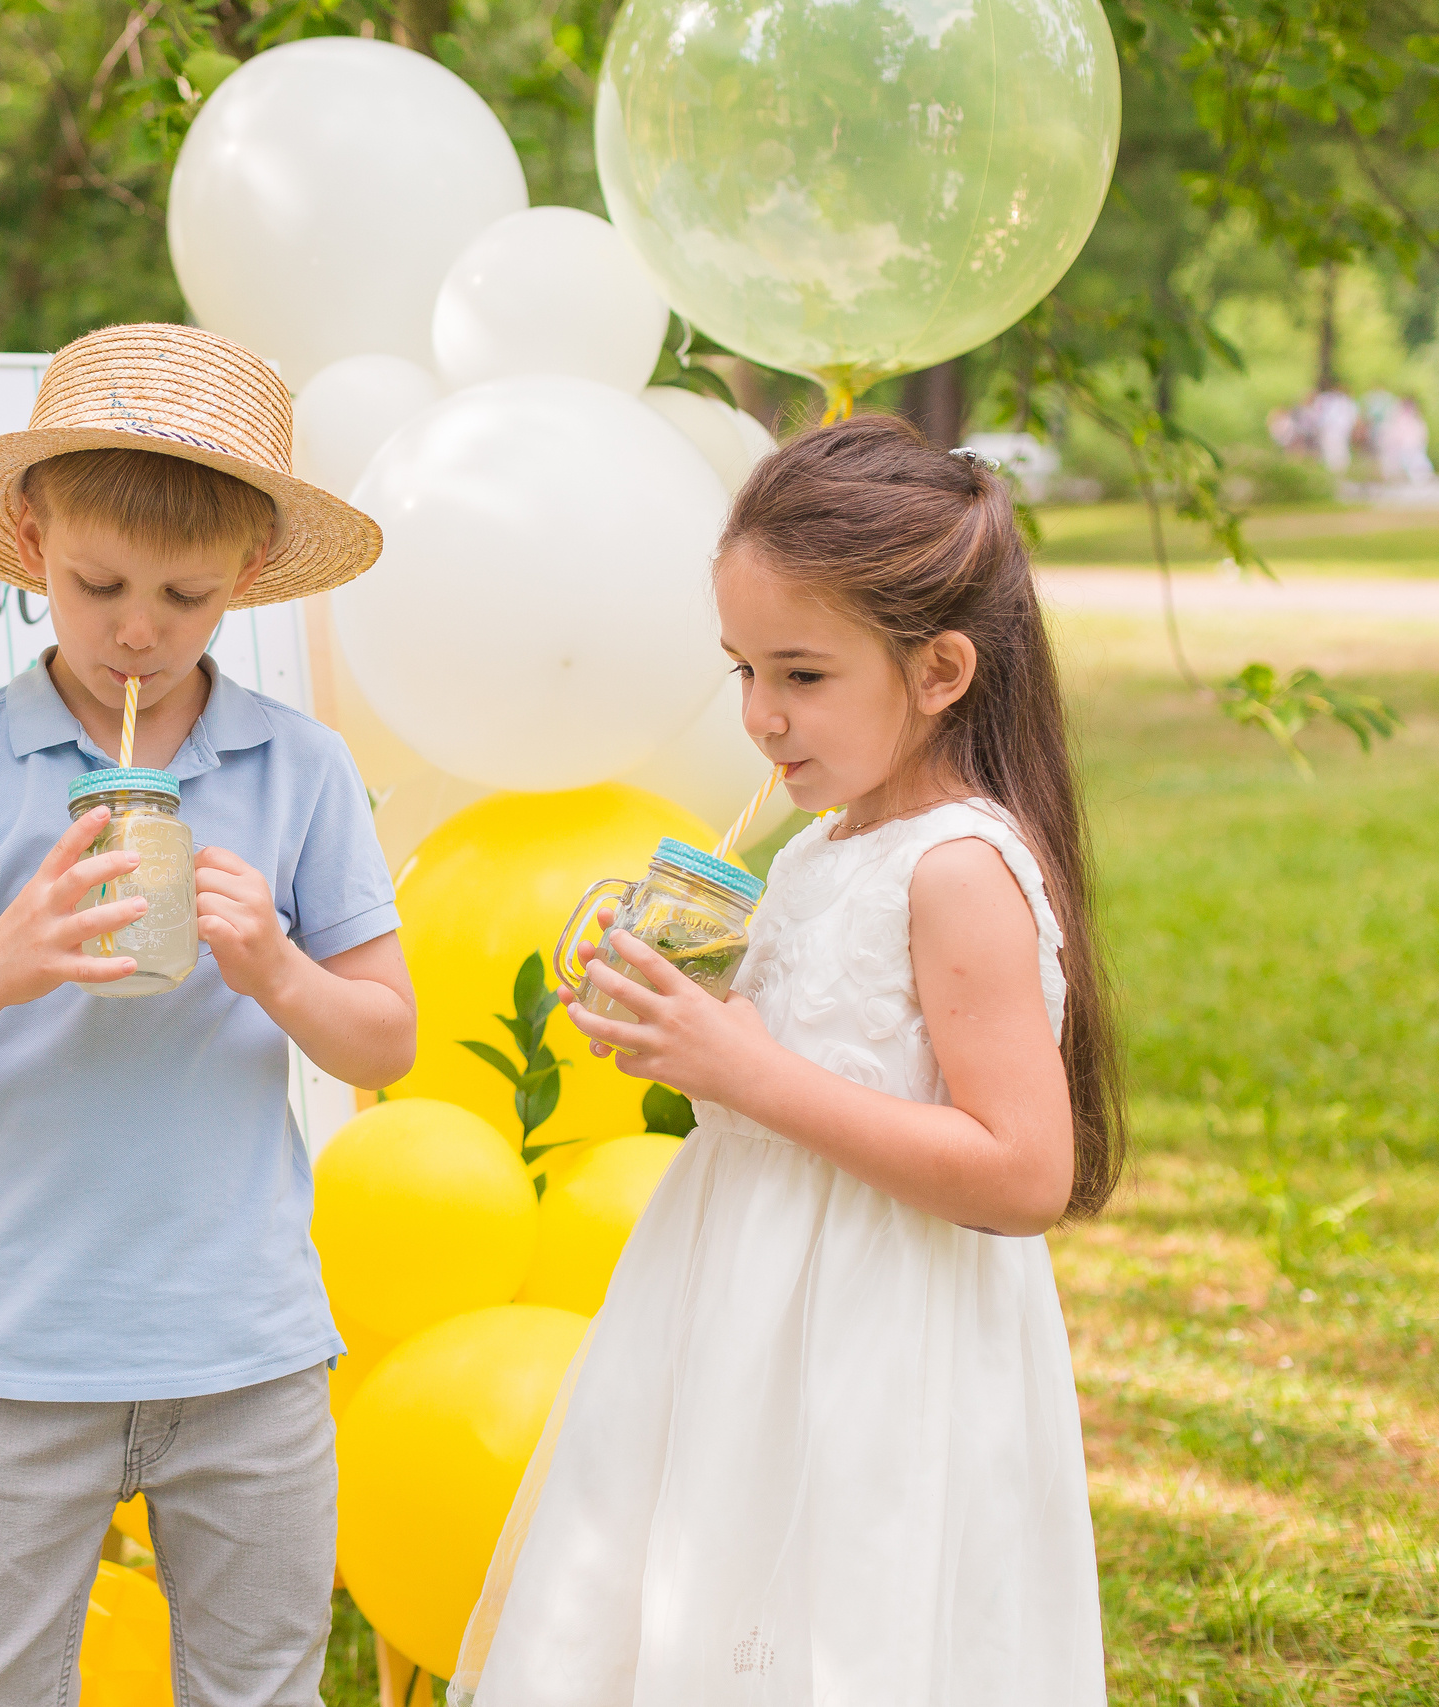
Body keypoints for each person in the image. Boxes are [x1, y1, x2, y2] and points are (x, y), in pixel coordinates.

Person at [451, 416, 1123, 1707]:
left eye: (802, 675)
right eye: (742, 670)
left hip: (880, 1346)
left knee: (843, 1628)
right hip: (738, 1313)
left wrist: (751, 1073)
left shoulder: (959, 872)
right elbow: (779, 1064)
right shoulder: (817, 853)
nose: (761, 716)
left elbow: (1026, 1170)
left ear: (938, 674)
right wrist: (672, 1024)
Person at [0, 323, 416, 1707]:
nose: (137, 629)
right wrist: (1, 960)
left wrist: (279, 969)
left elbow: (383, 1038)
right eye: (97, 584)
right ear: (31, 539)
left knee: (261, 1685)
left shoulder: (298, 768)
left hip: (249, 1347)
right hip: (23, 1349)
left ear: (252, 579)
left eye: (186, 595)